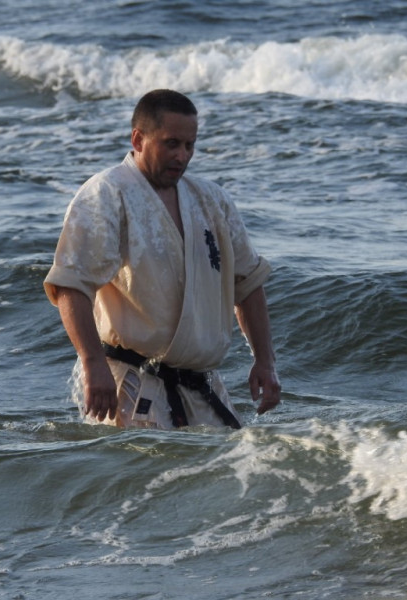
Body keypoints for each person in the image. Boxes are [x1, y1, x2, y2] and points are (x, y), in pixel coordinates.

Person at [44, 89, 280, 429]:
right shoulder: (106, 193)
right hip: (132, 385)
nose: (182, 156)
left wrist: (265, 362)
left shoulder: (212, 200)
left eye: (189, 145)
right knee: (145, 465)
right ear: (138, 139)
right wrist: (92, 362)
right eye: (171, 144)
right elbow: (71, 286)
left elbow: (247, 285)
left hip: (203, 387)